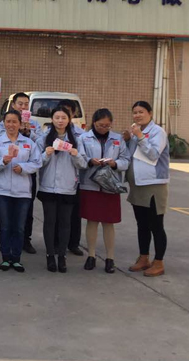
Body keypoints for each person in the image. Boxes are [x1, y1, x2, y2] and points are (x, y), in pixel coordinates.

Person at [0, 110, 42, 272]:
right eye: (8, 121)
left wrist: (23, 168)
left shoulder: (28, 143)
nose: (11, 125)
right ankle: (5, 257)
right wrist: (2, 161)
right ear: (4, 123)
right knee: (5, 226)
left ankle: (16, 258)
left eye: (14, 121)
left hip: (23, 192)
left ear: (20, 124)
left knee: (19, 227)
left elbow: (37, 162)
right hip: (2, 191)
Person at [79, 108, 130, 273]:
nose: (104, 128)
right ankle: (91, 255)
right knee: (92, 221)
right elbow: (79, 158)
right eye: (100, 125)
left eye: (107, 126)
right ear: (94, 123)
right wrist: (89, 161)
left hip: (110, 185)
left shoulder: (117, 139)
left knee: (109, 222)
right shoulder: (84, 138)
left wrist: (115, 164)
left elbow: (126, 159)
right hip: (90, 184)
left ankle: (110, 258)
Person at [36, 107, 87, 273]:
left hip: (68, 188)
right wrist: (46, 154)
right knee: (50, 222)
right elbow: (36, 162)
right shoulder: (44, 138)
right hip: (48, 187)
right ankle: (50, 255)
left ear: (69, 120)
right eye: (57, 117)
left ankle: (62, 256)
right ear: (52, 119)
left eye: (63, 117)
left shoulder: (76, 139)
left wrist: (75, 154)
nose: (60, 120)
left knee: (65, 223)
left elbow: (83, 164)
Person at [123, 101, 170, 277]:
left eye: (141, 112)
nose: (137, 115)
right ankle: (143, 258)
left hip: (153, 185)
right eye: (135, 112)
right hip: (137, 185)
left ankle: (159, 262)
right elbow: (132, 156)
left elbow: (153, 154)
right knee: (142, 224)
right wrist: (128, 140)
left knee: (156, 225)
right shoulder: (136, 131)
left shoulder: (158, 132)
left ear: (150, 113)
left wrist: (140, 136)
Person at [0, 92, 41, 254]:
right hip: (7, 170)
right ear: (14, 105)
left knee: (27, 208)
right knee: (6, 211)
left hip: (27, 172)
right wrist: (16, 129)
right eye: (20, 104)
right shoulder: (5, 123)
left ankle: (25, 240)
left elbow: (40, 144)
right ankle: (7, 241)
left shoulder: (34, 123)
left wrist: (28, 133)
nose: (23, 107)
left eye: (26, 104)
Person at [57, 99, 86, 256]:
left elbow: (84, 158)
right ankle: (56, 243)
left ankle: (73, 243)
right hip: (55, 180)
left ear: (73, 114)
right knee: (56, 214)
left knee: (74, 214)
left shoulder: (80, 134)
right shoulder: (50, 133)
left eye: (68, 111)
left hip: (74, 179)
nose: (64, 115)